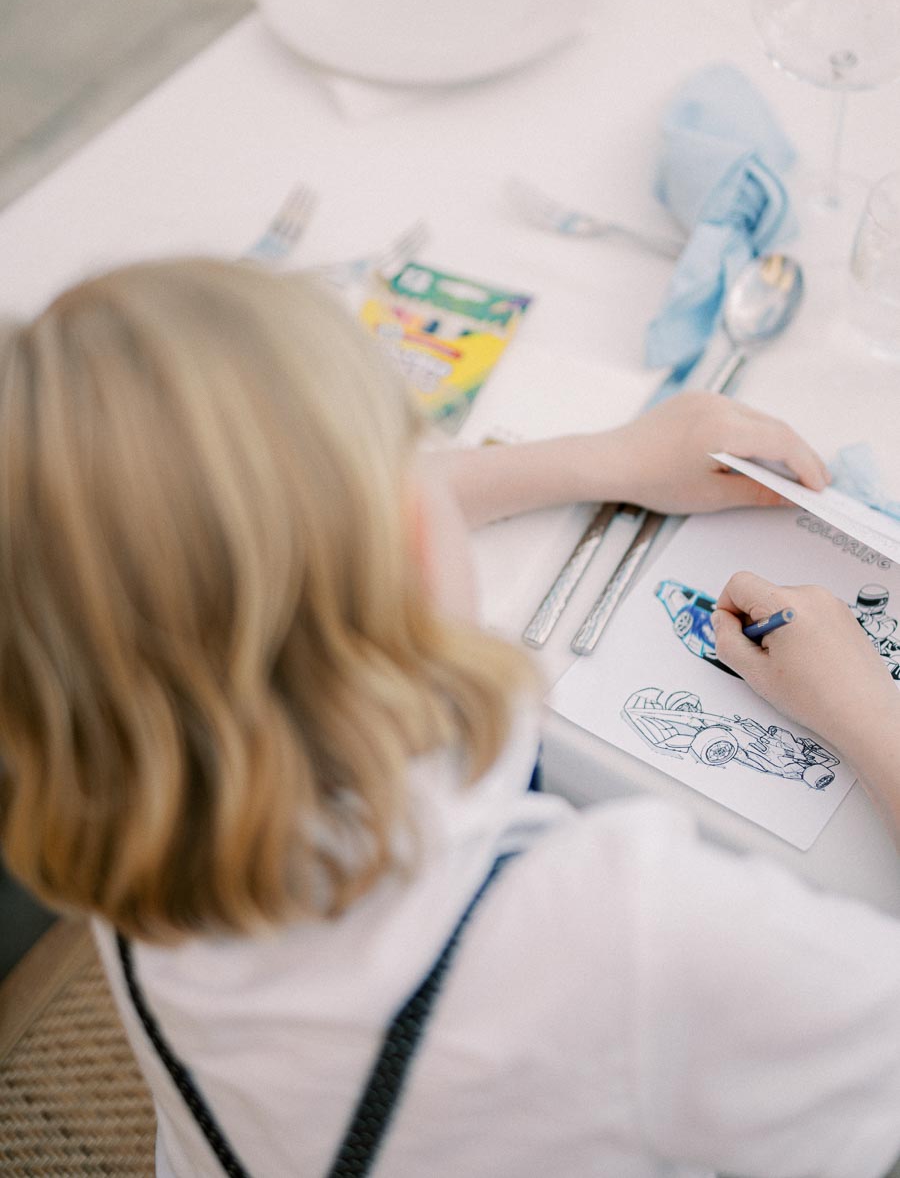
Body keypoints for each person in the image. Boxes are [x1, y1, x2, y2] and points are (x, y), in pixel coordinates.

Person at [0, 258, 897, 1178]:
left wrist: (609, 458)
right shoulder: (637, 931)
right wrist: (873, 716)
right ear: (413, 540)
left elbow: (261, 533)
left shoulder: (125, 779)